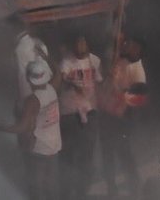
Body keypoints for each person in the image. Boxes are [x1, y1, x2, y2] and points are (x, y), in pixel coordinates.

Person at [0, 58, 61, 200]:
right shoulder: (52, 88)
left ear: (29, 80)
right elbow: (58, 73)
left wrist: (0, 127)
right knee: (51, 186)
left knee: (36, 188)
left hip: (39, 148)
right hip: (54, 146)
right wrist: (46, 58)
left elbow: (22, 127)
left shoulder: (33, 100)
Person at [98, 39, 146, 200]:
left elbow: (139, 99)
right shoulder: (121, 60)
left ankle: (135, 188)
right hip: (107, 114)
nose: (127, 46)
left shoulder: (138, 72)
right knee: (107, 154)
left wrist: (118, 92)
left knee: (124, 155)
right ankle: (111, 188)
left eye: (131, 44)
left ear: (138, 49)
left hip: (122, 120)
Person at [57, 36, 101, 200]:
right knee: (68, 155)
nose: (80, 46)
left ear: (87, 44)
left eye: (83, 42)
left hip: (90, 114)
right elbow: (62, 79)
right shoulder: (67, 62)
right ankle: (65, 194)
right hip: (70, 114)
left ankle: (82, 192)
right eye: (77, 43)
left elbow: (100, 82)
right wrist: (73, 83)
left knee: (86, 157)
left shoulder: (95, 61)